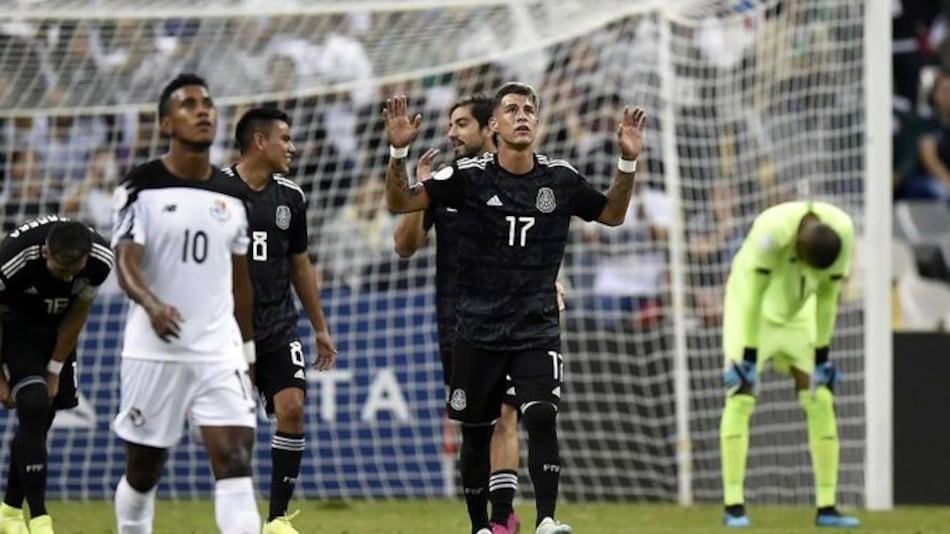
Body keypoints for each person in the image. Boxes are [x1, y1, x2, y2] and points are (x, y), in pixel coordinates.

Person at [383, 84, 647, 534]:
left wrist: (627, 162)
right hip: (477, 327)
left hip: (535, 324)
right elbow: (399, 203)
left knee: (540, 415)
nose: (522, 115)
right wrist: (397, 153)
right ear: (495, 126)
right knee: (476, 431)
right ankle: (481, 527)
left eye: (529, 109)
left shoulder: (560, 178)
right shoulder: (466, 176)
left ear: (538, 123)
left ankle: (545, 520)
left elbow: (612, 214)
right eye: (511, 109)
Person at [110, 73, 261, 534]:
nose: (202, 111)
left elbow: (241, 283)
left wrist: (248, 352)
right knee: (144, 470)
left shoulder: (234, 194)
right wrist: (152, 304)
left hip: (218, 350)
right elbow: (124, 262)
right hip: (155, 350)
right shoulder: (141, 186)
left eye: (207, 103)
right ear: (165, 124)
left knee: (235, 458)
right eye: (188, 104)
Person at [393, 95, 530, 532]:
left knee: (506, 415)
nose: (451, 133)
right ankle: (480, 523)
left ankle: (502, 516)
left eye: (461, 124)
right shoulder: (448, 182)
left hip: (513, 319)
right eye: (450, 124)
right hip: (457, 321)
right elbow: (405, 247)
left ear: (490, 128)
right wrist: (421, 195)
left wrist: (552, 282)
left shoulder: (520, 177)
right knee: (475, 423)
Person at [225, 107, 338, 534]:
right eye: (285, 139)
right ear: (259, 142)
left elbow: (300, 265)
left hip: (277, 324)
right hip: (227, 329)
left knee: (292, 408)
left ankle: (275, 519)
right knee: (234, 426)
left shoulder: (292, 197)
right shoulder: (217, 192)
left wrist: (320, 327)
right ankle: (236, 514)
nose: (292, 147)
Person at [718, 200, 861, 528]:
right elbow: (753, 293)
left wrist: (822, 358)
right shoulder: (771, 228)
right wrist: (748, 358)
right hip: (751, 313)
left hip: (799, 315)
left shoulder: (843, 230)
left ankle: (827, 507)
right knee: (740, 395)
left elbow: (827, 298)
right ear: (795, 247)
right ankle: (733, 504)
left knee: (820, 397)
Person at [0, 216, 113, 534]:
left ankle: (8, 512)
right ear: (45, 253)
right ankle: (40, 519)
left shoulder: (100, 261)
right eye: (60, 269)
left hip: (57, 332)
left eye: (73, 270)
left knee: (38, 420)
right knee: (34, 404)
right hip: (15, 328)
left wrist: (54, 369)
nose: (67, 277)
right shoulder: (13, 257)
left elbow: (79, 312)